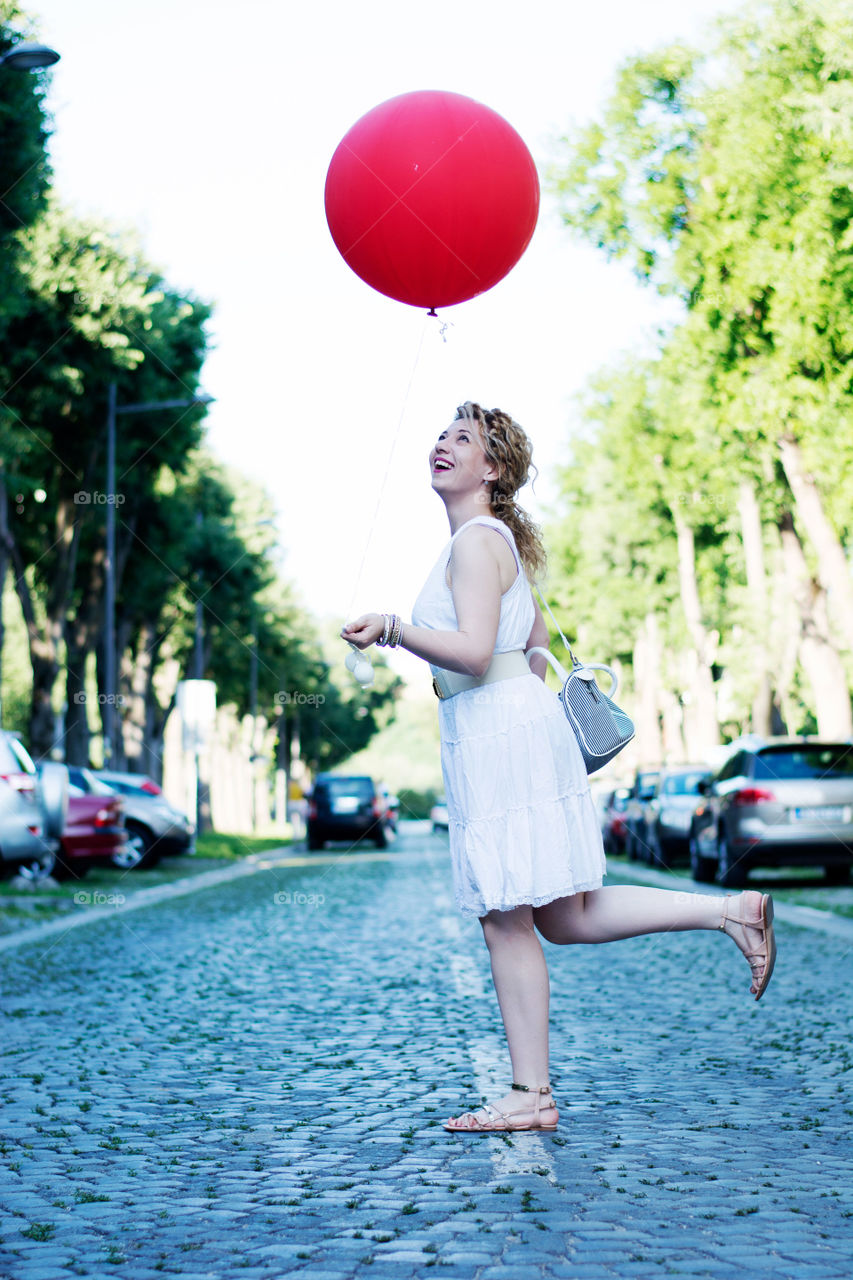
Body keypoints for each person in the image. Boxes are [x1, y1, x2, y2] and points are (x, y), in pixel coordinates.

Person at [341, 401, 776, 1134]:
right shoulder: (494, 540)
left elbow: (478, 653)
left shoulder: (476, 543)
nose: (443, 446)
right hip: (510, 725)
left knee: (507, 921)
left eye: (464, 440)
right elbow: (530, 645)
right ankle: (728, 910)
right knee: (562, 916)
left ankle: (528, 1095)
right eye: (441, 436)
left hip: (499, 731)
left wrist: (393, 629)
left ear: (493, 469)